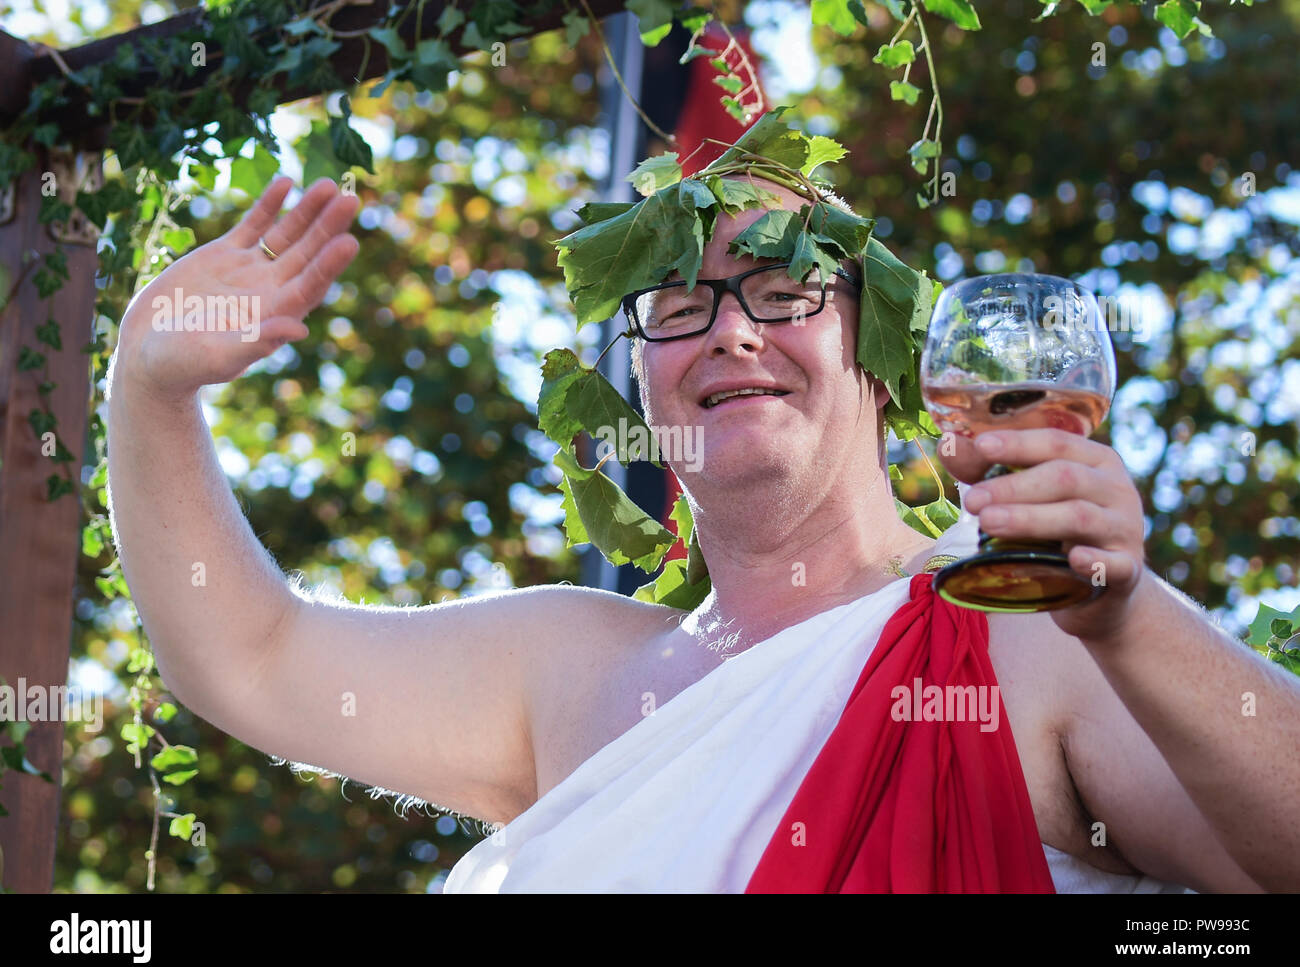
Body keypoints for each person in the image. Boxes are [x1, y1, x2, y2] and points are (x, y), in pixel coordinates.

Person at [106, 173, 1298, 894]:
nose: (730, 332)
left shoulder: (1021, 638)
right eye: (680, 306)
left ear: (877, 363)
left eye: (783, 291)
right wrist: (148, 390)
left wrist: (1129, 619)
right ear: (644, 381)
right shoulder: (567, 669)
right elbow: (246, 655)